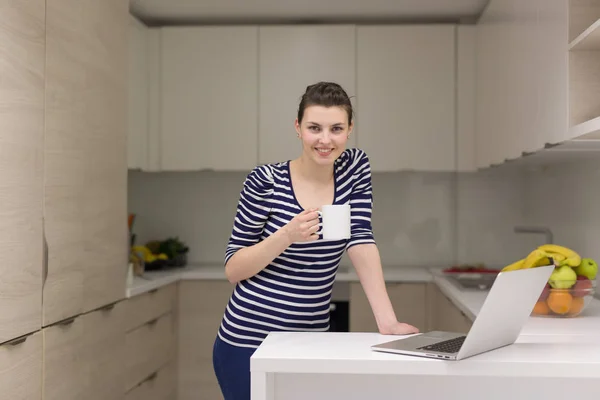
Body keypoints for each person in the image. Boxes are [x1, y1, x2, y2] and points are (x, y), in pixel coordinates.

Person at [212, 81, 419, 400]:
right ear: (298, 128)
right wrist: (286, 236)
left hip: (311, 339)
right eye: (314, 128)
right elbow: (233, 268)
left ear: (350, 129)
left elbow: (361, 239)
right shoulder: (265, 181)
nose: (325, 140)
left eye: (336, 128)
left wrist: (388, 322)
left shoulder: (354, 168)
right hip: (248, 342)